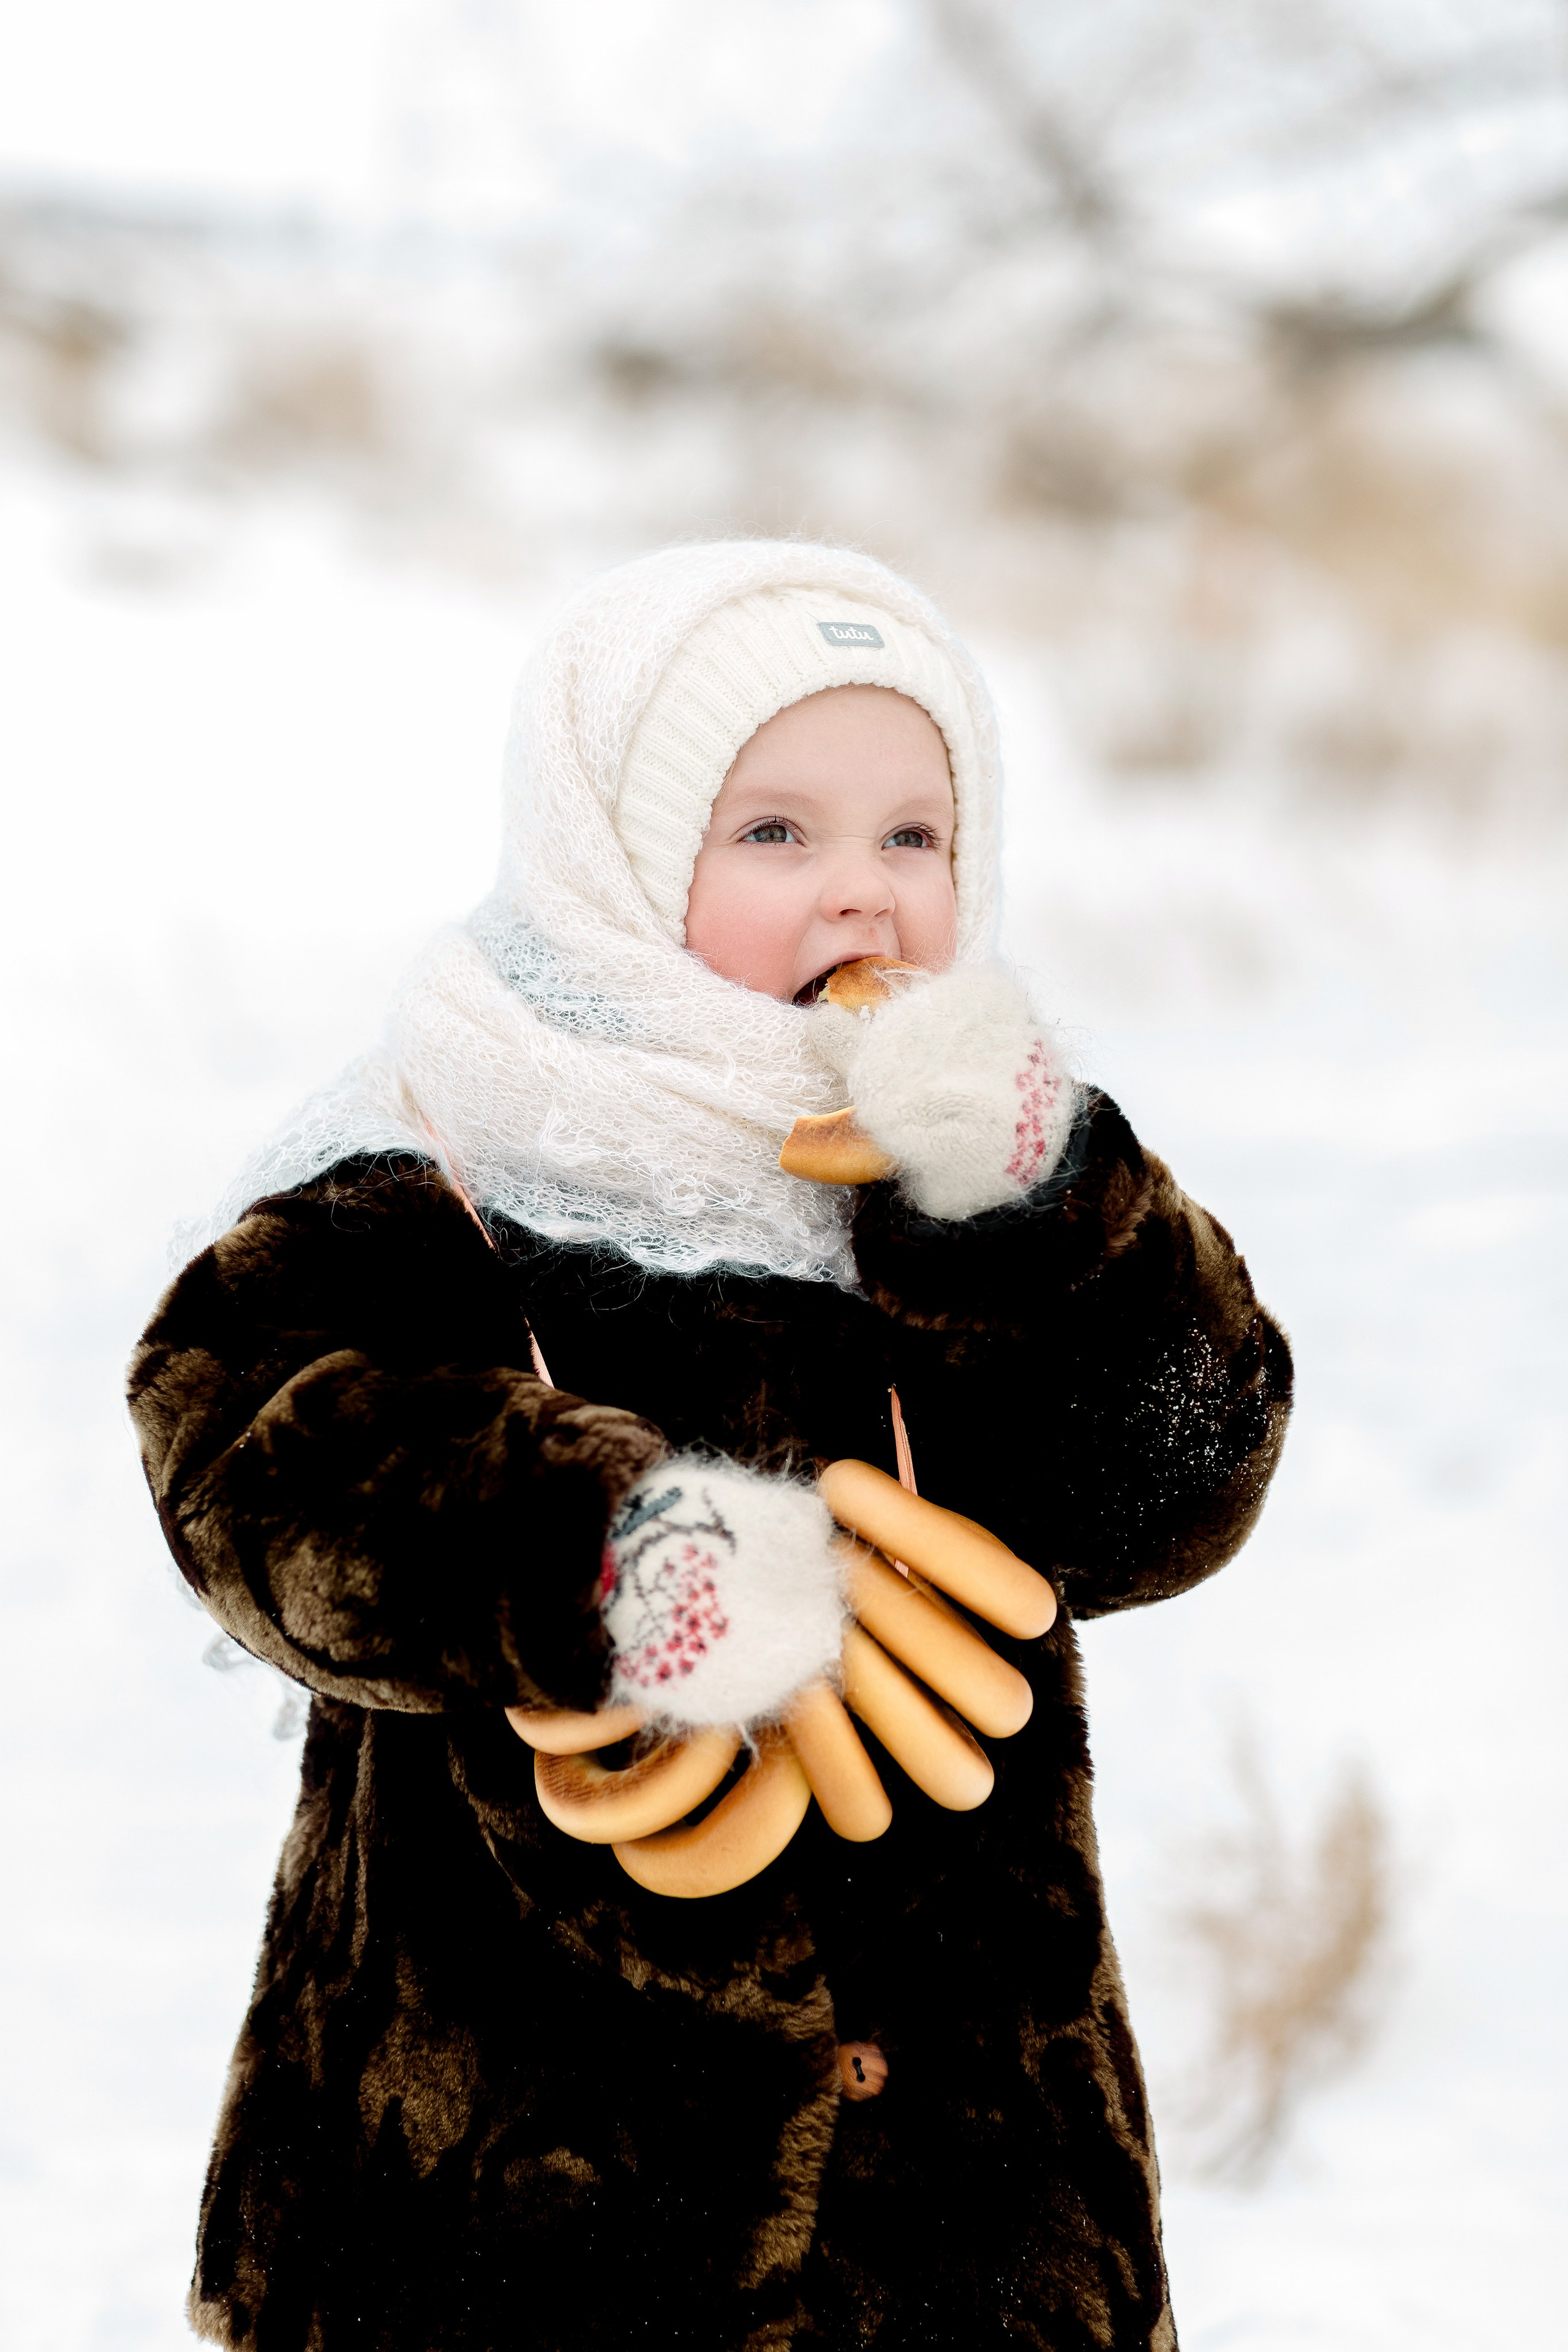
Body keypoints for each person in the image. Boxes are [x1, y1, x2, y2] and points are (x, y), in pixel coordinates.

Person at [129, 538, 1292, 2352]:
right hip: (505, 2223)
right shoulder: (436, 1166)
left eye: (917, 836)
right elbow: (256, 1466)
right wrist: (607, 1560)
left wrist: (1048, 1213)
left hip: (971, 2236)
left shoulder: (967, 1172)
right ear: (608, 849)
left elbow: (1179, 1474)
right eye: (775, 836)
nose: (863, 898)